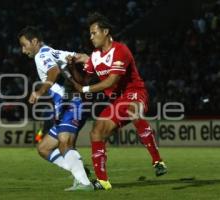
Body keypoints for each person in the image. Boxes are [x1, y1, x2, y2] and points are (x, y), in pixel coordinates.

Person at [67, 13, 167, 190]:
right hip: (117, 101)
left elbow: (111, 81)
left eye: (93, 32)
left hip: (135, 92)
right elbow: (83, 82)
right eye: (89, 34)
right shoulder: (95, 56)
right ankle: (102, 181)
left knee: (132, 110)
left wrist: (85, 89)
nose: (91, 37)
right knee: (97, 131)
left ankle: (157, 161)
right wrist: (72, 67)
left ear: (105, 32)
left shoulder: (121, 50)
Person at [17, 26, 93, 191]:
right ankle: (79, 172)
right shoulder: (55, 52)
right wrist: (86, 60)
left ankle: (84, 183)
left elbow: (54, 71)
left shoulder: (41, 55)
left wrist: (40, 91)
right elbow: (84, 57)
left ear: (35, 41)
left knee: (65, 143)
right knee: (44, 149)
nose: (23, 50)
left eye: (24, 45)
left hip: (71, 103)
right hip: (69, 103)